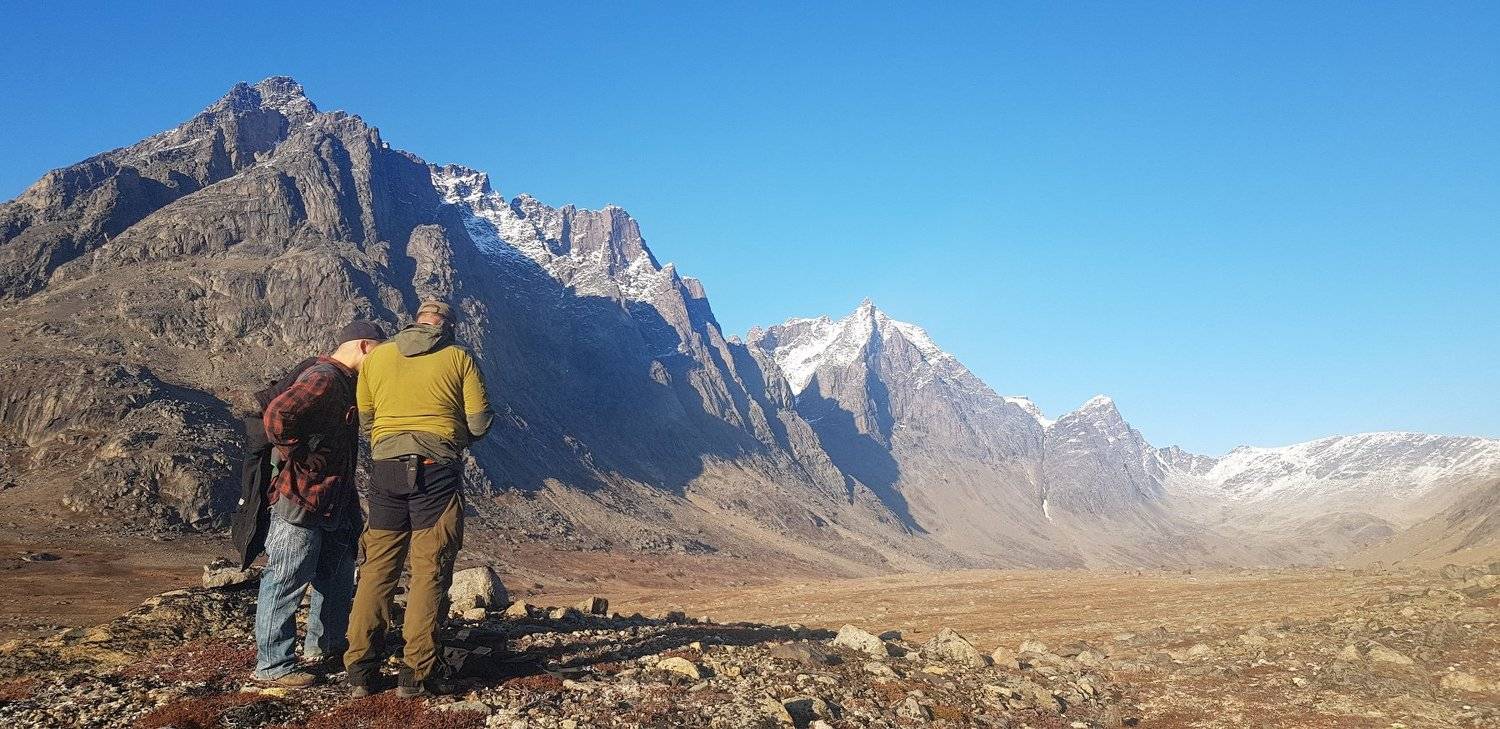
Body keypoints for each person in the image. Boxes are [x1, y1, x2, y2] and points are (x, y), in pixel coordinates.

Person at [344, 300, 493, 698]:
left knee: (377, 568)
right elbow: (480, 421)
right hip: (435, 471)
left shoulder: (378, 357)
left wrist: (390, 438)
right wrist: (454, 436)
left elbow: (367, 416)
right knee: (430, 568)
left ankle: (360, 670)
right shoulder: (459, 357)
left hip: (386, 470)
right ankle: (416, 672)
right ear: (448, 326)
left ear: (416, 321)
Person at [252, 321, 386, 687]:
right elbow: (278, 414)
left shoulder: (343, 381)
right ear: (363, 346)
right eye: (378, 350)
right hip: (302, 497)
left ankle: (324, 647)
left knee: (337, 575)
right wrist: (298, 453)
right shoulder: (324, 378)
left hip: (333, 500)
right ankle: (273, 665)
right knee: (286, 578)